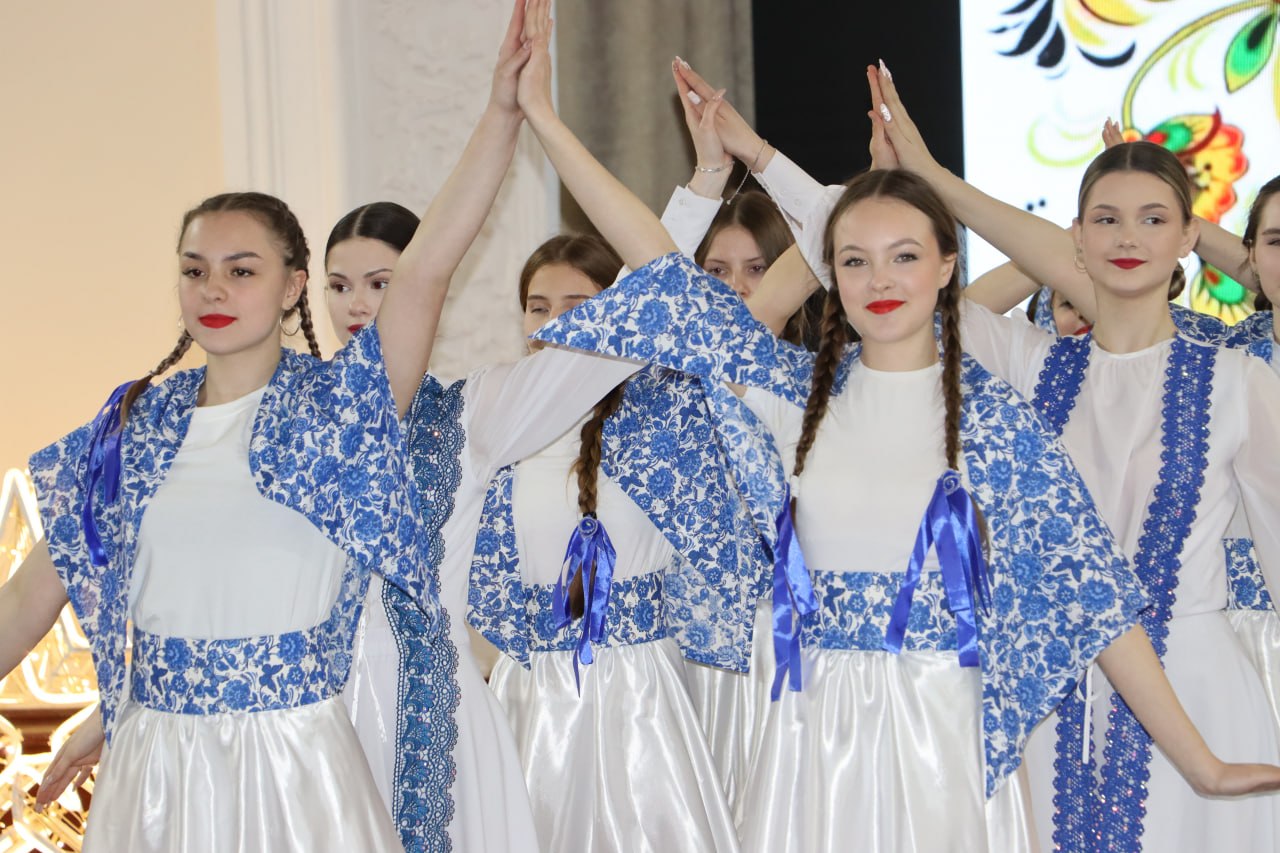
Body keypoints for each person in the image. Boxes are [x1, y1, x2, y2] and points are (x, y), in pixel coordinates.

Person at [10, 5, 533, 848]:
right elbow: (26, 600)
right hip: (158, 774)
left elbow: (428, 267)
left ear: (293, 285)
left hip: (296, 769)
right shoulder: (130, 431)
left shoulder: (341, 411)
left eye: (241, 270)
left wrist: (502, 112)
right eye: (195, 271)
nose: (213, 289)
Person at [844, 63, 1280, 851]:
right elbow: (908, 304)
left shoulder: (1238, 380)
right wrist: (911, 186)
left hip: (1203, 690)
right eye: (1105, 220)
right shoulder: (1030, 363)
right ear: (1075, 237)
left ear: (1190, 237)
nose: (1127, 238)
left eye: (1153, 219)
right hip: (1051, 696)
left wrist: (936, 175)